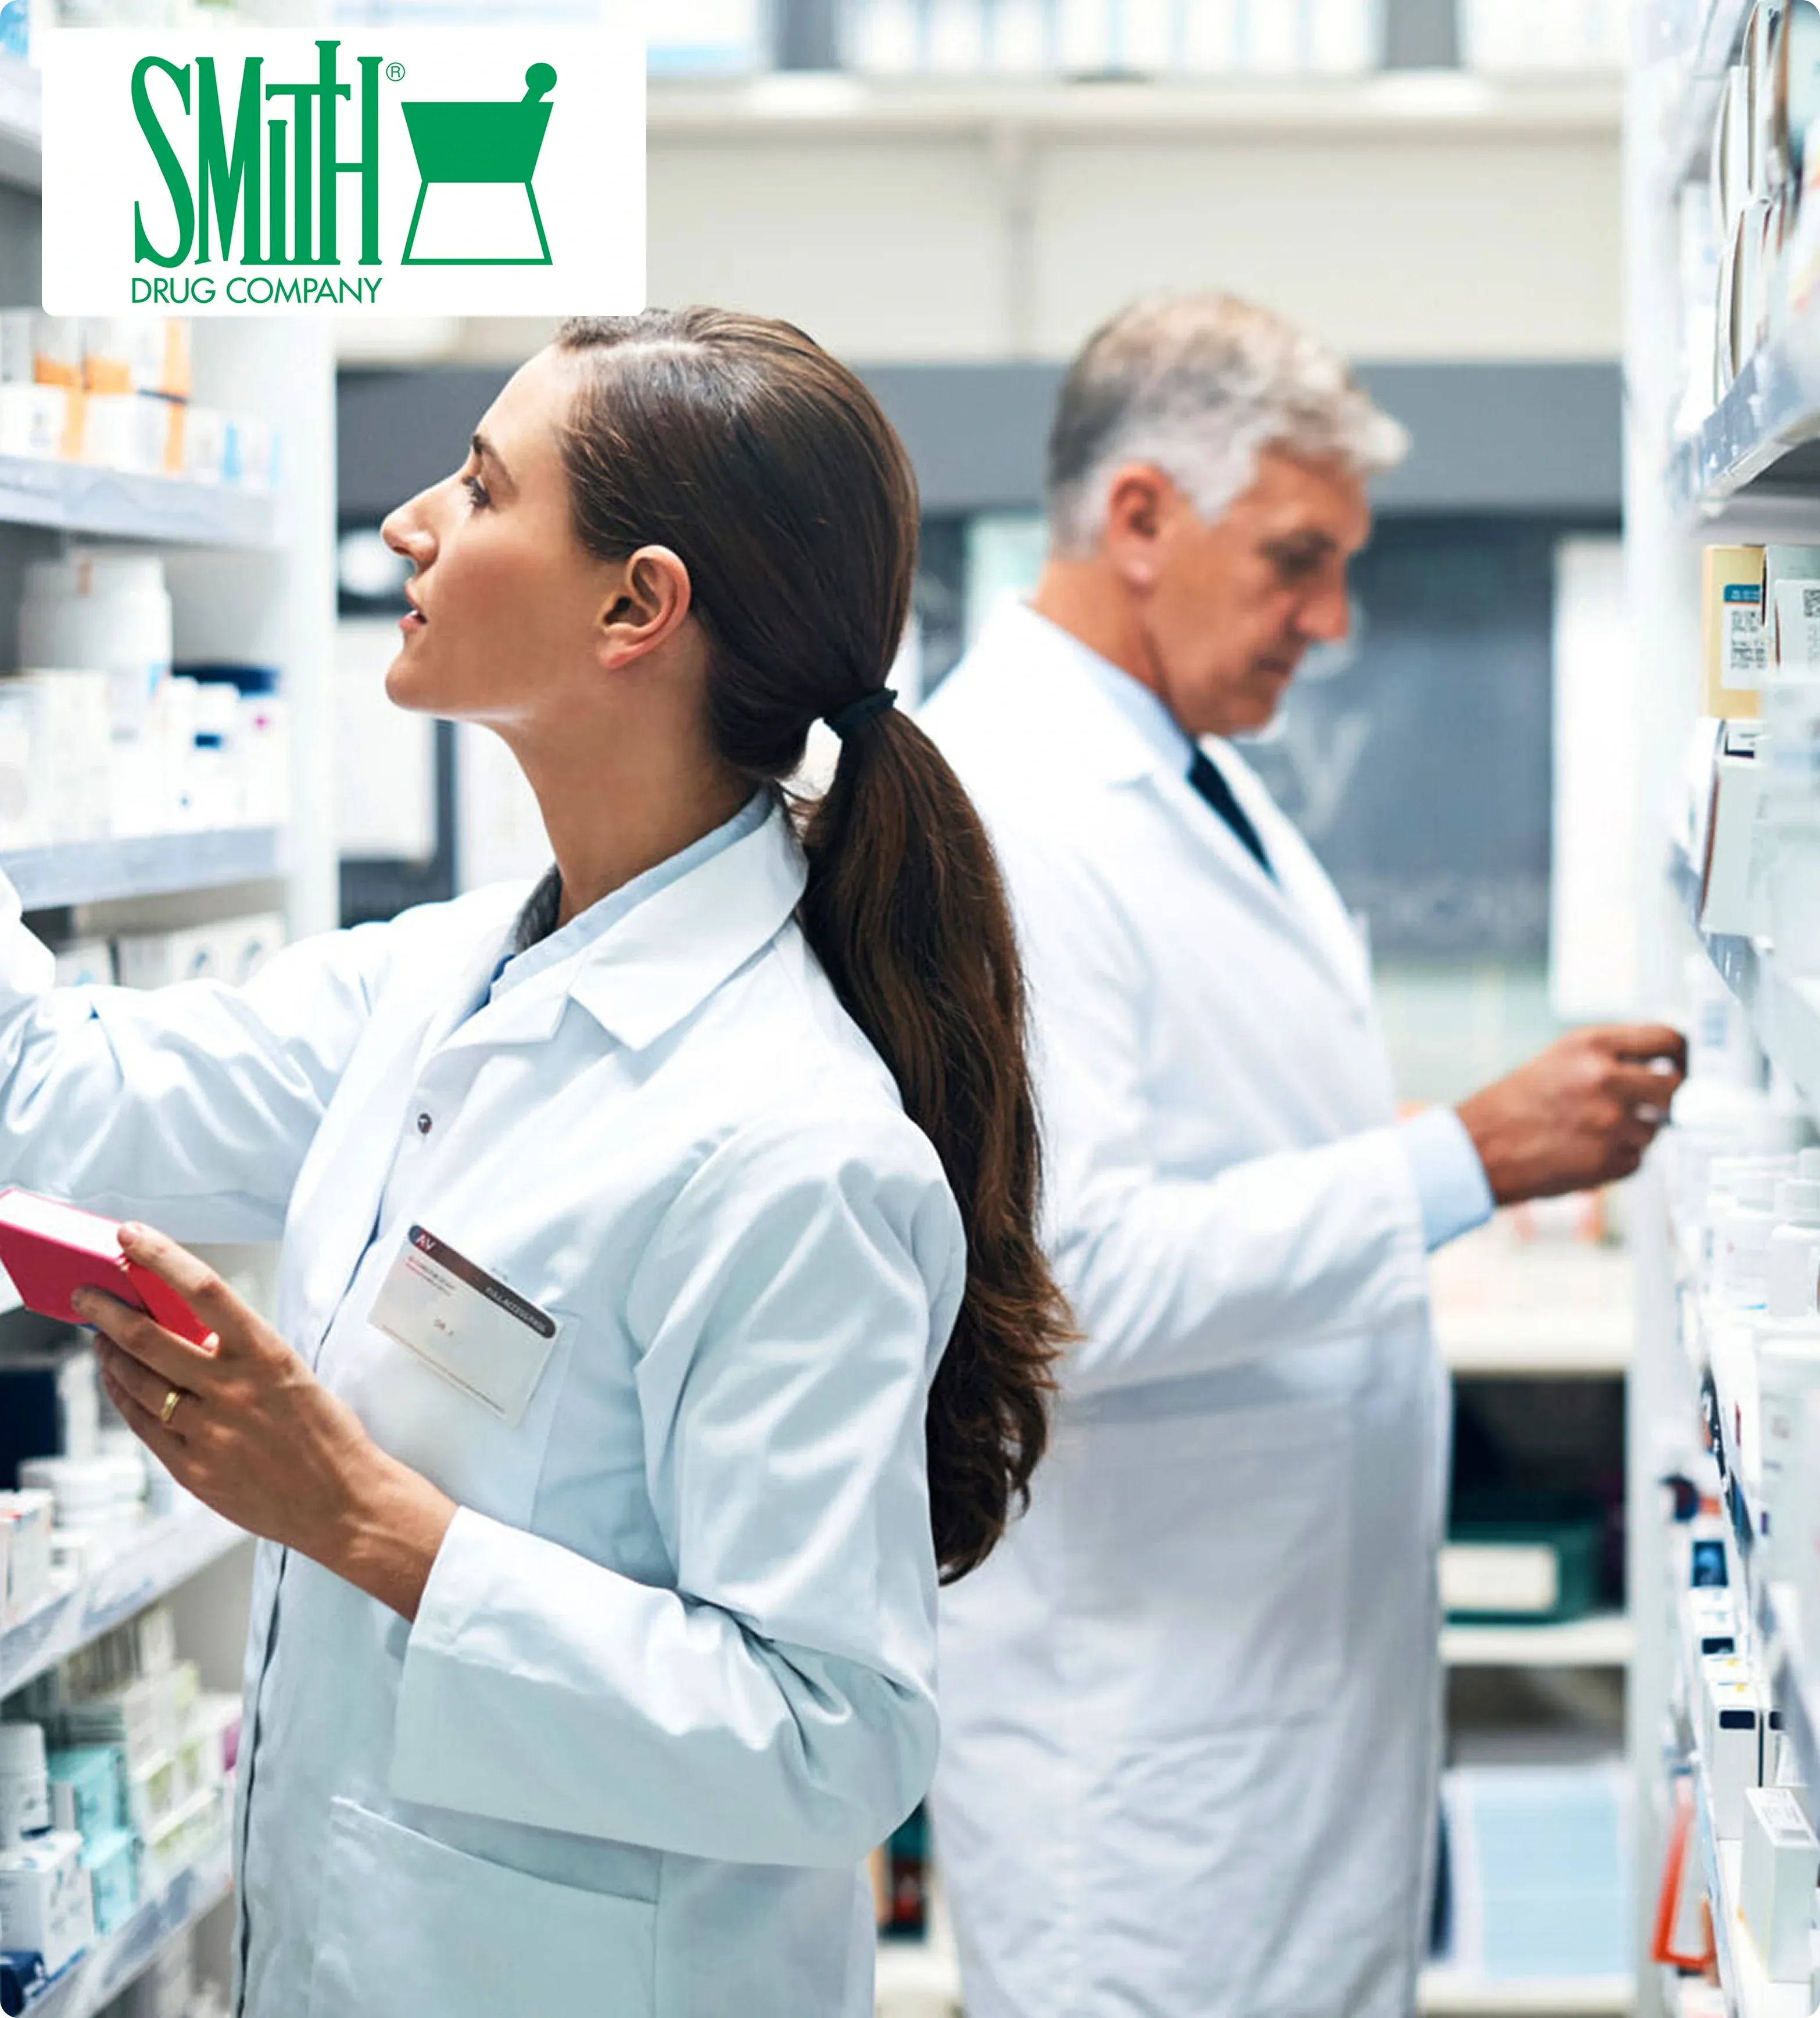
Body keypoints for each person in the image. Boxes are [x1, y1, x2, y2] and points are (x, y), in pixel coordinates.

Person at [0, 309, 1068, 2018]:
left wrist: (363, 1521)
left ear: (637, 607)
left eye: (482, 488)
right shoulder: (441, 981)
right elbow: (44, 1093)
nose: (406, 524)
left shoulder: (791, 1144)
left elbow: (832, 1739)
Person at [919, 293, 1686, 2018]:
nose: (1331, 621)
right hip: (1148, 1761)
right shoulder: (1011, 808)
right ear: (1138, 517)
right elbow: (1067, 1282)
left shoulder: (1190, 771)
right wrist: (1466, 1159)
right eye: (1294, 562)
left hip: (1270, 1699)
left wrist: (1435, 1158)